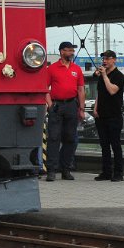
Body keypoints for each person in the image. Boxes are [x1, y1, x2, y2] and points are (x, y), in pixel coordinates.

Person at [45, 41, 85, 181]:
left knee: (70, 138)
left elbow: (80, 89)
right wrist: (50, 105)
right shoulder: (52, 69)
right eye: (68, 50)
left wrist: (81, 108)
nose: (71, 53)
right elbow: (45, 88)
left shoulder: (77, 69)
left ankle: (66, 169)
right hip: (57, 106)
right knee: (54, 138)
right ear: (62, 52)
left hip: (71, 105)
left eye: (72, 50)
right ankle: (51, 170)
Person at [92, 50, 124, 182]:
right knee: (104, 145)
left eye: (107, 58)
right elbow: (99, 93)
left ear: (114, 60)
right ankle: (106, 171)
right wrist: (95, 108)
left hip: (114, 115)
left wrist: (105, 76)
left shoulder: (119, 76)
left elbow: (112, 90)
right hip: (101, 115)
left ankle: (118, 172)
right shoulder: (101, 75)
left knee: (115, 144)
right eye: (103, 59)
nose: (105, 61)